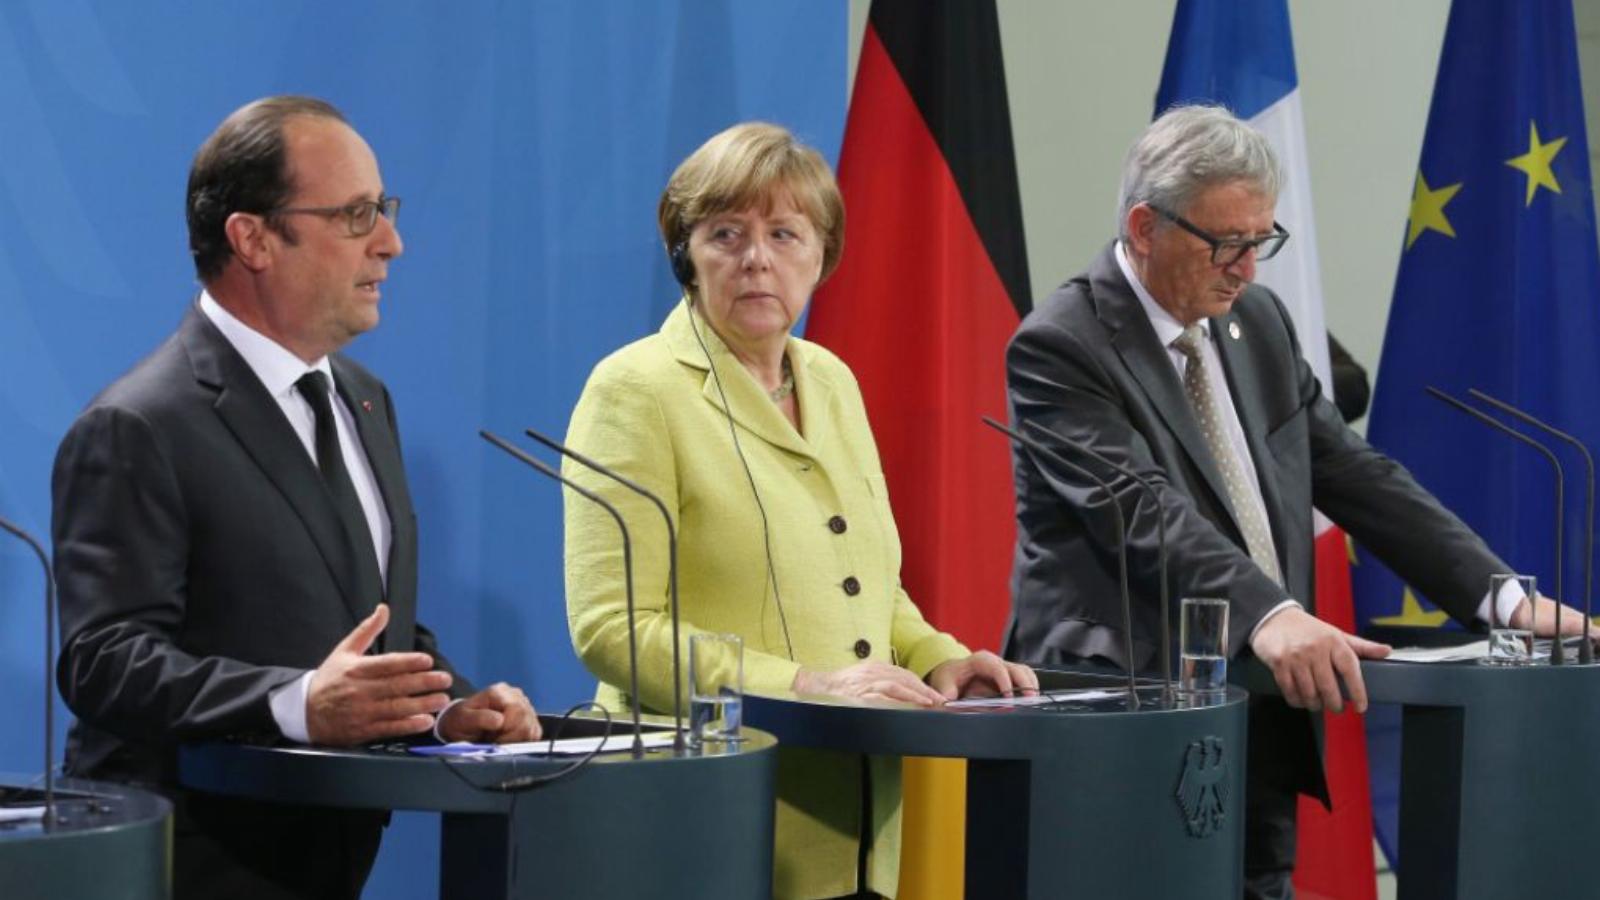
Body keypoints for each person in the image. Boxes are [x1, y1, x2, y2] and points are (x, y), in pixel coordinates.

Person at [1002, 104, 1587, 900]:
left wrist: (1505, 597)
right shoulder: (1061, 344)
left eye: (1262, 241)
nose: (1248, 268)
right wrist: (1275, 617)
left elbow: (1351, 472)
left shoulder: (1258, 323)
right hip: (1123, 726)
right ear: (1145, 227)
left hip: (1261, 715)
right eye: (1227, 244)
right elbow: (1138, 511)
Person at [52, 95, 540, 900]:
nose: (391, 242)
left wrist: (451, 714)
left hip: (331, 856)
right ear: (252, 239)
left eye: (382, 209)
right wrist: (295, 705)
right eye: (355, 215)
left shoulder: (364, 398)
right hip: (192, 861)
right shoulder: (137, 424)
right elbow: (106, 661)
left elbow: (372, 623)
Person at [563, 121, 1037, 900]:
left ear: (821, 256)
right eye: (726, 234)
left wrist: (938, 658)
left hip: (854, 822)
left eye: (785, 233)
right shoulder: (636, 390)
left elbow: (868, 586)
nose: (758, 259)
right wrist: (806, 684)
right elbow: (613, 630)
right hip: (706, 817)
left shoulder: (832, 382)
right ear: (685, 255)